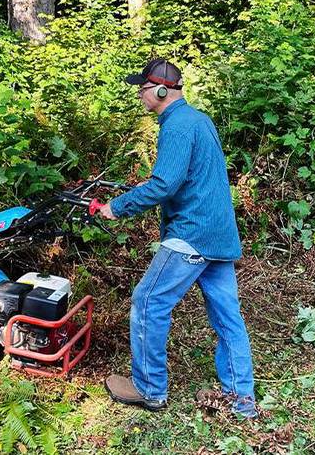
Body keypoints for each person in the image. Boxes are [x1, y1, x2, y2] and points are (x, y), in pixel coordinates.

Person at [96, 58, 257, 417]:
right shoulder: (199, 120)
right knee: (228, 319)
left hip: (192, 233)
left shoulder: (177, 126)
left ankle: (149, 389)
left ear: (160, 90)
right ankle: (242, 402)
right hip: (219, 236)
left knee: (148, 302)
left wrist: (117, 207)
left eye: (142, 89)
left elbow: (164, 185)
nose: (139, 95)